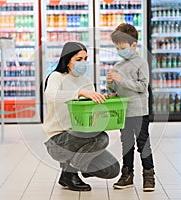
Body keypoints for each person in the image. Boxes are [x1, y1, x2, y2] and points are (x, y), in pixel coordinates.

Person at [43, 42, 120, 192]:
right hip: (59, 140)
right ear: (67, 60)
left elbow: (92, 110)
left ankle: (72, 166)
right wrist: (80, 93)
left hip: (82, 136)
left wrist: (105, 100)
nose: (83, 63)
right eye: (78, 59)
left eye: (85, 59)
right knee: (101, 138)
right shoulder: (56, 77)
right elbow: (51, 96)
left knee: (112, 170)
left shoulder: (85, 81)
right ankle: (69, 173)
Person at [106, 23, 155, 191]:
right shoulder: (118, 66)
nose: (120, 51)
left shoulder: (141, 63)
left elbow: (142, 86)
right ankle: (127, 175)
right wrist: (110, 85)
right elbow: (116, 90)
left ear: (134, 45)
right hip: (123, 112)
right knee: (126, 144)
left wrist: (122, 80)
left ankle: (149, 176)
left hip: (139, 111)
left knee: (143, 143)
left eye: (123, 47)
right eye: (117, 48)